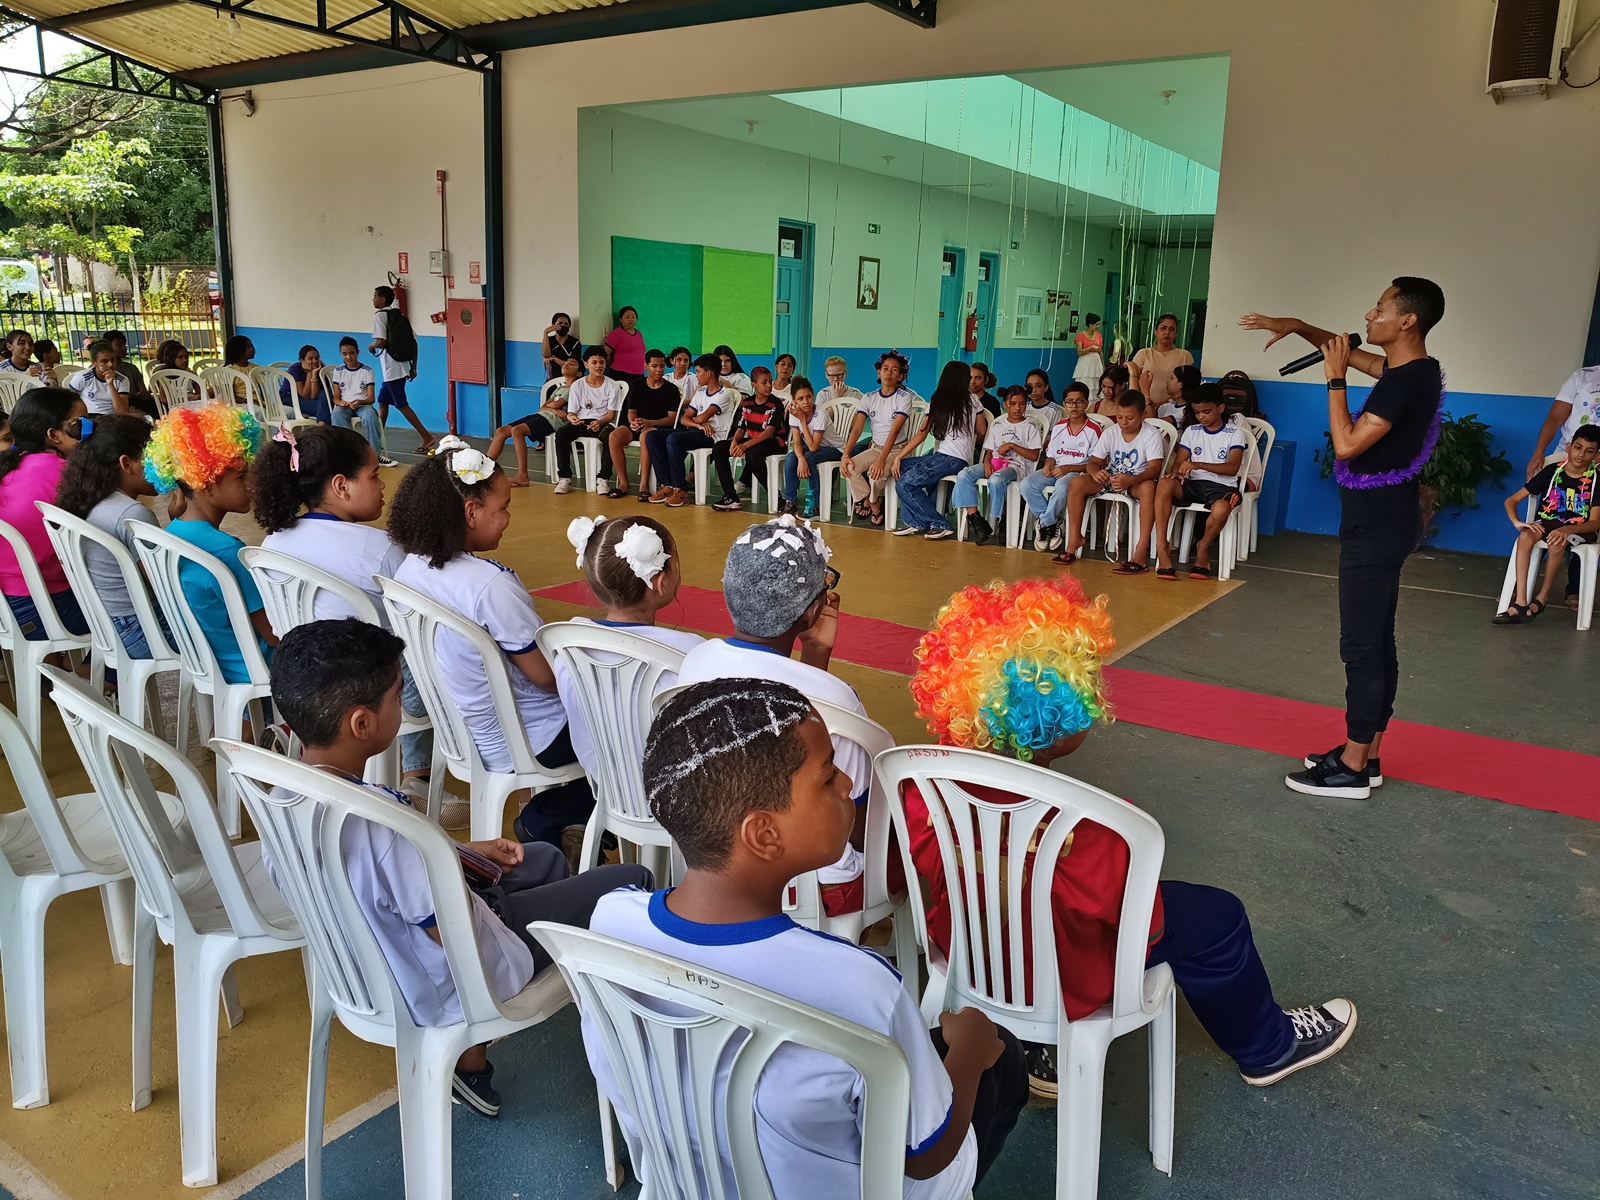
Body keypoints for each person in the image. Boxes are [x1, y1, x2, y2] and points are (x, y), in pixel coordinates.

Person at [905, 575, 1358, 1096]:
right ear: (1059, 716)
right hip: (1063, 977)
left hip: (969, 959)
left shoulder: (921, 791)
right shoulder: (1096, 827)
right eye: (1088, 686)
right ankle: (1269, 1047)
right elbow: (1141, 924)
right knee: (1219, 917)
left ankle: (1036, 1049)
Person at [586, 676, 1026, 1199]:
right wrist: (971, 1053)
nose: (846, 784)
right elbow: (926, 1155)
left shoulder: (610, 923)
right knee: (1004, 1059)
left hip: (688, 1181)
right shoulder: (859, 986)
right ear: (764, 834)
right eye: (826, 777)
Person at [268, 618, 651, 1118]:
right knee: (633, 881)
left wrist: (462, 856)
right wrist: (491, 906)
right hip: (451, 973)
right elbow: (448, 932)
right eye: (396, 697)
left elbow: (391, 881)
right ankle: (480, 1059)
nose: (401, 708)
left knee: (547, 858)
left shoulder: (280, 795)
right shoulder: (387, 828)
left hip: (377, 953)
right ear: (361, 724)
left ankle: (550, 978)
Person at [1242, 277, 1447, 800]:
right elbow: (1352, 353)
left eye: (1380, 307)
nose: (1369, 313)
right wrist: (1300, 329)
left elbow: (1348, 442)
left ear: (1407, 321)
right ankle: (1368, 753)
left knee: (1360, 643)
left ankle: (1353, 768)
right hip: (1383, 519)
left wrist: (1334, 380)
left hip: (1376, 527)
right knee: (1376, 639)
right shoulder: (1410, 371)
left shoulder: (1405, 381)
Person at [386, 436, 596, 847]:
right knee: (628, 722)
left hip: (463, 730)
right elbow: (546, 678)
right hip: (530, 738)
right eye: (502, 509)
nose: (507, 518)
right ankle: (550, 817)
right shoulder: (489, 585)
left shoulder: (410, 568)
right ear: (471, 512)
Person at [677, 516, 870, 914]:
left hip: (714, 871)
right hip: (816, 888)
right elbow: (858, 818)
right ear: (812, 611)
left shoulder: (696, 664)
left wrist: (816, 657)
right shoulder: (837, 700)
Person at [253, 422, 438, 809]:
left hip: (300, 681)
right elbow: (418, 620)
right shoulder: (379, 548)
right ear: (341, 486)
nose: (383, 485)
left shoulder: (272, 543)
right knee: (431, 653)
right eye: (374, 476)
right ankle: (419, 773)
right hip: (369, 687)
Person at [143, 404, 278, 694]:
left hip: (209, 665)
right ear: (204, 484)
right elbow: (275, 635)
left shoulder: (173, 533)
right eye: (241, 477)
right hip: (253, 669)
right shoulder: (227, 552)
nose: (252, 484)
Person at [553, 514, 703, 774]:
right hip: (680, 801)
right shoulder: (690, 654)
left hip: (607, 793)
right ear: (661, 581)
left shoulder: (568, 645)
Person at [54, 412, 168, 660]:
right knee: (222, 624)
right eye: (153, 458)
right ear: (126, 464)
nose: (161, 465)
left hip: (107, 624)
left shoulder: (88, 499)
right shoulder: (133, 513)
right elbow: (164, 584)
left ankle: (99, 676)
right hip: (140, 630)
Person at [0, 389, 90, 644]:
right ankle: (95, 679)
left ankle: (59, 673)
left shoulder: (10, 465)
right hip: (45, 607)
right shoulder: (67, 473)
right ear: (53, 435)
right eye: (80, 424)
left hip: (7, 607)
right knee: (134, 617)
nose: (90, 430)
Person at [1494, 424, 1599, 624]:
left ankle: (1542, 598)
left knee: (1556, 542)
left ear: (1595, 456)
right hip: (1549, 521)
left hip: (1579, 529)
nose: (1581, 454)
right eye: (1578, 447)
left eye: (1589, 451)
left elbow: (1594, 523)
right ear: (1568, 447)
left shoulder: (1596, 480)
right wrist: (1518, 522)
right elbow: (1511, 500)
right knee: (1525, 537)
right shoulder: (1553, 471)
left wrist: (1567, 529)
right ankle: (1521, 602)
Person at [1151, 382, 1248, 580]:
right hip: (1194, 485)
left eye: (1206, 411)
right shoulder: (1192, 431)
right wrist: (1177, 473)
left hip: (1223, 487)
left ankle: (1203, 546)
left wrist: (1199, 465)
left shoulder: (1234, 433)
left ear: (1220, 409)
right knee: (1164, 483)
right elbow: (1179, 462)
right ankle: (1162, 546)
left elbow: (1232, 468)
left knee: (1221, 509)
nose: (1201, 416)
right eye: (1197, 412)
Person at [1057, 391, 1165, 567]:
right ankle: (1074, 539)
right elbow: (1093, 462)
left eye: (1129, 418)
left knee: (1149, 489)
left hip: (1137, 479)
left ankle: (1141, 548)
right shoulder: (1111, 432)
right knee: (1076, 483)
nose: (1123, 422)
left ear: (1143, 415)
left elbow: (1154, 469)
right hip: (1111, 476)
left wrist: (1131, 479)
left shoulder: (1151, 434)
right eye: (1120, 417)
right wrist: (1095, 473)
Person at [1526, 363, 1600, 612]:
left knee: (1586, 521)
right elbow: (1555, 418)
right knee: (1546, 517)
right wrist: (1539, 452)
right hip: (1567, 460)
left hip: (1597, 466)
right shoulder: (1584, 376)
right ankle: (1522, 586)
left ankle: (1576, 589)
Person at [888, 361, 986, 542]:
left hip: (949, 459)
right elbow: (981, 431)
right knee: (902, 469)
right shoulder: (972, 399)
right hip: (950, 458)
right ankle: (914, 521)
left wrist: (899, 455)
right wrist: (899, 458)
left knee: (904, 484)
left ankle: (940, 523)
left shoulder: (939, 399)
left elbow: (922, 433)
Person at [644, 353, 737, 509]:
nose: (697, 375)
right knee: (652, 436)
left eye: (699, 372)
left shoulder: (724, 395)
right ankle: (666, 484)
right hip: (699, 431)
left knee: (674, 439)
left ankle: (680, 489)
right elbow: (684, 419)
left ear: (708, 373)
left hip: (713, 436)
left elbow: (700, 417)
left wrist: (698, 422)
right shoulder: (700, 392)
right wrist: (698, 425)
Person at [952, 385, 1041, 547]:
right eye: (1013, 403)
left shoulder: (1030, 426)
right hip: (995, 463)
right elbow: (989, 450)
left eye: (1022, 404)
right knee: (964, 474)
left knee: (996, 480)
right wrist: (986, 463)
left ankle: (1000, 520)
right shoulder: (998, 425)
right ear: (1005, 404)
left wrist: (1013, 446)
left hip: (1015, 468)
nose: (1017, 408)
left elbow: (1034, 455)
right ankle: (977, 521)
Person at [1023, 382, 1101, 552]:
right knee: (1027, 484)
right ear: (1064, 404)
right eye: (1069, 402)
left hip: (1078, 471)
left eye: (1079, 402)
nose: (1074, 406)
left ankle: (1044, 524)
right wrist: (1049, 464)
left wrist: (1068, 468)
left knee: (1062, 485)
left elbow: (1095, 463)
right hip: (1057, 468)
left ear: (1086, 403)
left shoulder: (1094, 429)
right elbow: (1051, 454)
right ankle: (1055, 521)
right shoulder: (1059, 427)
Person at [840, 350, 913, 526]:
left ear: (901, 376)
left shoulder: (904, 398)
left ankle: (870, 502)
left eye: (894, 370)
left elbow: (894, 432)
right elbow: (857, 429)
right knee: (850, 467)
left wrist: (881, 461)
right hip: (875, 448)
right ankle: (874, 503)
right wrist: (845, 455)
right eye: (885, 368)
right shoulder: (869, 397)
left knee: (875, 474)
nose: (889, 373)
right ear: (878, 372)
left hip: (897, 450)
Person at [487, 356, 580, 487]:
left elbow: (556, 404)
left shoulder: (575, 388)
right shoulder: (559, 389)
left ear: (579, 373)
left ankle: (522, 475)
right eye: (565, 363)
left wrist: (552, 408)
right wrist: (552, 408)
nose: (566, 365)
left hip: (553, 421)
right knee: (501, 431)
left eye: (572, 364)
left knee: (517, 431)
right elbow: (544, 407)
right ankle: (485, 469)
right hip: (542, 415)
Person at [369, 285, 436, 452]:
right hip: (402, 365)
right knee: (383, 403)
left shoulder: (380, 316)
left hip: (391, 369)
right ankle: (377, 439)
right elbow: (413, 343)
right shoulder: (399, 316)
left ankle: (427, 437)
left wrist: (371, 346)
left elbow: (381, 342)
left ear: (382, 299)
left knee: (401, 405)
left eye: (375, 296)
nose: (373, 299)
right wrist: (413, 366)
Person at [606, 349, 677, 500]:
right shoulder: (636, 385)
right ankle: (624, 484)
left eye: (662, 366)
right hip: (637, 424)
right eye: (654, 366)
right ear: (646, 366)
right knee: (614, 436)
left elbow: (672, 418)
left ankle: (643, 485)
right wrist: (634, 423)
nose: (659, 370)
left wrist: (650, 422)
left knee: (646, 435)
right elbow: (631, 411)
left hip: (657, 427)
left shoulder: (671, 389)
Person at [551, 346, 621, 496]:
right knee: (562, 433)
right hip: (582, 422)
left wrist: (600, 422)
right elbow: (571, 412)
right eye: (594, 362)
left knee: (611, 437)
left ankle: (603, 479)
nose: (598, 366)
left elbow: (611, 415)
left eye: (601, 362)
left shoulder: (612, 386)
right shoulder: (578, 385)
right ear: (586, 364)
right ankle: (565, 478)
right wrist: (572, 418)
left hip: (602, 422)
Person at [716, 365, 784, 512]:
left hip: (774, 442)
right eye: (764, 382)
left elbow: (769, 432)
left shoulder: (775, 404)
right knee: (720, 447)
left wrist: (745, 446)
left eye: (770, 382)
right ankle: (731, 496)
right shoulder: (747, 403)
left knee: (753, 454)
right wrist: (734, 442)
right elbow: (741, 427)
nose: (768, 385)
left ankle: (776, 496)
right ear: (754, 385)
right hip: (753, 440)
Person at [782, 376, 844, 518]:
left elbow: (813, 447)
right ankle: (790, 502)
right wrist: (799, 458)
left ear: (813, 395)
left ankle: (816, 505)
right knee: (791, 457)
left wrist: (803, 419)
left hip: (835, 449)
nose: (806, 402)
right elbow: (796, 442)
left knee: (810, 456)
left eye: (809, 396)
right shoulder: (794, 414)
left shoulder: (819, 414)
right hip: (815, 448)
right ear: (794, 400)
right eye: (801, 398)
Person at [328, 337, 393, 465]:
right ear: (341, 354)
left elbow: (371, 398)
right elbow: (336, 397)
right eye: (344, 354)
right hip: (344, 406)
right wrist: (341, 403)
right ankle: (349, 453)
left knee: (370, 416)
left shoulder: (367, 371)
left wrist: (359, 401)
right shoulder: (338, 371)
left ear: (357, 352)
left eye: (351, 353)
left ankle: (376, 454)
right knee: (336, 414)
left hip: (362, 405)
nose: (348, 357)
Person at [1132, 315, 1194, 418]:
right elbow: (1134, 381)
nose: (1167, 332)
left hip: (1174, 409)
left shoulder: (1185, 356)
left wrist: (1166, 402)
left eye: (1172, 329)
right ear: (1155, 331)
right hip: (1145, 407)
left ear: (1176, 333)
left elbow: (1189, 385)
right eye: (1163, 328)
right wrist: (1146, 400)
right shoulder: (1143, 354)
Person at [103, 330, 158, 419]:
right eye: (119, 345)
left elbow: (142, 389)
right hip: (115, 403)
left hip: (135, 401)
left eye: (124, 345)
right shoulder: (103, 370)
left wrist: (144, 393)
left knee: (154, 403)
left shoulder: (131, 368)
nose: (124, 348)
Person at [67, 340, 130, 415]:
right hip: (88, 416)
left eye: (113, 360)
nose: (110, 364)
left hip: (111, 417)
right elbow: (68, 401)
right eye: (104, 361)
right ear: (94, 363)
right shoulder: (83, 377)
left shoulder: (122, 380)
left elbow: (122, 411)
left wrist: (110, 384)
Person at [603, 306, 646, 383]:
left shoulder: (639, 334)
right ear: (621, 319)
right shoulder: (617, 333)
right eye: (627, 317)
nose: (630, 319)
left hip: (639, 373)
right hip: (621, 374)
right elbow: (606, 353)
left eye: (633, 317)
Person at [1157, 364, 1203, 428]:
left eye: (1172, 378)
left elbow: (1154, 424)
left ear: (1180, 384)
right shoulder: (1165, 407)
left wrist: (1146, 392)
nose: (1167, 382)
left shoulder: (1188, 410)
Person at [542, 312, 581, 380]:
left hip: (569, 379)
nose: (562, 326)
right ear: (553, 325)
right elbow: (546, 355)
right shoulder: (549, 340)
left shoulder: (575, 343)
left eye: (566, 324)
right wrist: (546, 332)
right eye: (559, 323)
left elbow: (572, 366)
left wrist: (554, 358)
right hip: (551, 378)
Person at [221, 335, 256, 402]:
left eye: (252, 346)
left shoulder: (255, 368)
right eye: (248, 347)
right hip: (240, 404)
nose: (253, 349)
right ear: (238, 350)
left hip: (257, 402)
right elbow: (229, 395)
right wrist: (248, 401)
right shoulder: (229, 370)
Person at [1073, 314, 1105, 387]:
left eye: (1099, 324)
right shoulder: (1081, 335)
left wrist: (1103, 365)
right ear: (1090, 324)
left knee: (1096, 383)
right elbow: (1079, 351)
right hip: (1085, 362)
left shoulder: (1098, 335)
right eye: (1096, 324)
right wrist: (1090, 348)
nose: (1098, 326)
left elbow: (1100, 352)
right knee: (1085, 381)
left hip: (1096, 362)